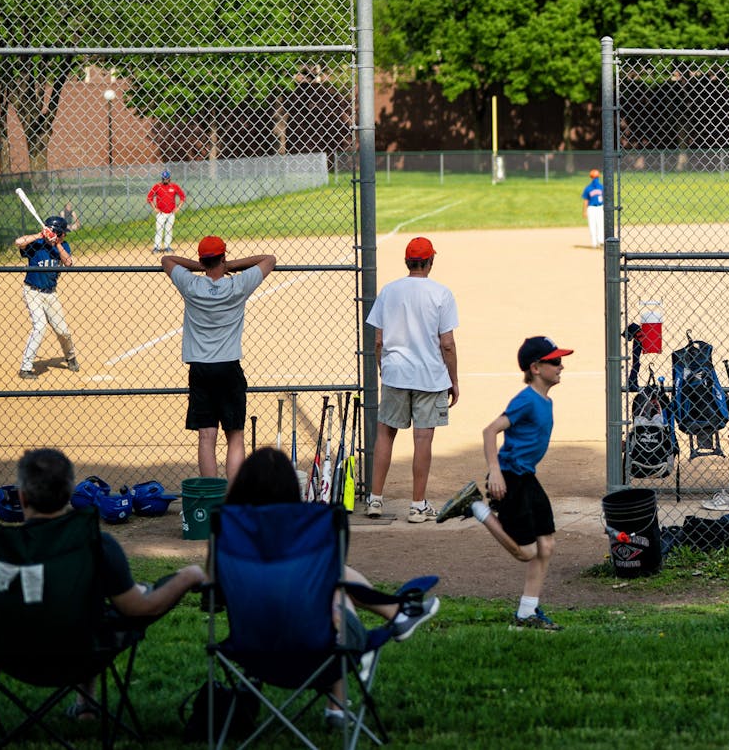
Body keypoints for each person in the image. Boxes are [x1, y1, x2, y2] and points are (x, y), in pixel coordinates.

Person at [222, 447, 438, 726]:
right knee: (334, 589)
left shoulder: (230, 542)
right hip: (318, 651)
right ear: (291, 492)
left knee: (327, 585)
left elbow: (213, 596)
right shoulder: (302, 546)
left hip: (250, 652)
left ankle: (397, 614)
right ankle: (394, 618)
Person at [15, 447, 205, 718]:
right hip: (81, 650)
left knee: (83, 608)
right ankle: (86, 706)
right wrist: (189, 575)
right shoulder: (96, 544)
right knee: (96, 613)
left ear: (22, 497)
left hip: (14, 654)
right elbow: (139, 609)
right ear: (70, 495)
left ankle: (85, 706)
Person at [435, 336, 573, 631]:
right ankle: (475, 508)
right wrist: (495, 472)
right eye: (556, 361)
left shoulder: (545, 399)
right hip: (510, 478)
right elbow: (490, 431)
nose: (562, 366)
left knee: (546, 545)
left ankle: (526, 614)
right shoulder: (526, 400)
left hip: (527, 477)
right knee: (525, 552)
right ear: (536, 367)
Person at [162, 236, 275, 478]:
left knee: (206, 435)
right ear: (223, 258)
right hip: (228, 366)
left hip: (200, 368)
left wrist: (202, 266)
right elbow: (269, 259)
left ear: (203, 261)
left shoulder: (191, 285)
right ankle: (233, 496)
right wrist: (230, 266)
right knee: (235, 434)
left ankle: (211, 495)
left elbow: (166, 259)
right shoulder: (238, 285)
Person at [365, 237, 459, 523]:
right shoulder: (441, 293)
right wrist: (453, 379)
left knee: (385, 434)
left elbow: (378, 339)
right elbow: (447, 344)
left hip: (395, 373)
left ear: (408, 262)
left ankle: (375, 499)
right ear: (430, 261)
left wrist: (384, 367)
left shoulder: (389, 291)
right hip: (430, 376)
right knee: (422, 439)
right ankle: (418, 505)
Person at [15, 216, 79, 380]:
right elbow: (18, 242)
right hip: (32, 292)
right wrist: (40, 235)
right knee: (40, 326)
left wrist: (56, 243)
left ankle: (70, 357)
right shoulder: (36, 245)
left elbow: (69, 263)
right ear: (57, 232)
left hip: (51, 294)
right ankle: (26, 368)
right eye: (63, 233)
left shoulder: (63, 245)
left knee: (62, 331)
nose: (65, 236)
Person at [147, 170, 186, 253]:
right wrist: (154, 208)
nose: (165, 180)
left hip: (171, 213)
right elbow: (149, 198)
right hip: (161, 213)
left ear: (169, 178)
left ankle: (167, 246)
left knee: (169, 229)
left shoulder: (174, 186)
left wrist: (178, 207)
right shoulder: (157, 186)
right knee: (159, 229)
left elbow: (182, 197)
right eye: (164, 178)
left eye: (167, 178)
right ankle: (157, 247)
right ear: (162, 178)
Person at [581, 170, 604, 249]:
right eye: (595, 177)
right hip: (591, 208)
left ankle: (600, 241)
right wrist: (584, 211)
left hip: (600, 207)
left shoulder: (601, 187)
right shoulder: (588, 188)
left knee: (600, 224)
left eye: (596, 177)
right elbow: (586, 200)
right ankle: (594, 243)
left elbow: (605, 198)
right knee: (592, 225)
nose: (595, 179)